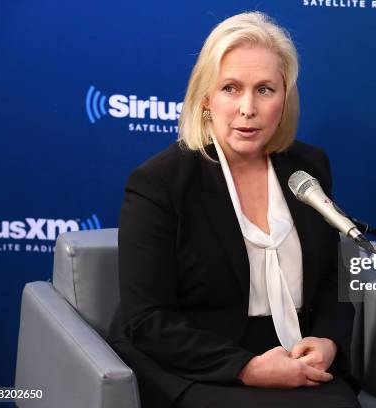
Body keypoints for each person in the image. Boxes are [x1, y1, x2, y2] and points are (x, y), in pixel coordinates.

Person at [107, 11, 360, 407]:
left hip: (293, 354)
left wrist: (328, 341)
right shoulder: (160, 182)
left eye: (264, 89)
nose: (247, 108)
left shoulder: (308, 167)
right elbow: (147, 321)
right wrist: (248, 368)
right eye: (230, 88)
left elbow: (331, 279)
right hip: (196, 362)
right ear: (206, 97)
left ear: (284, 98)